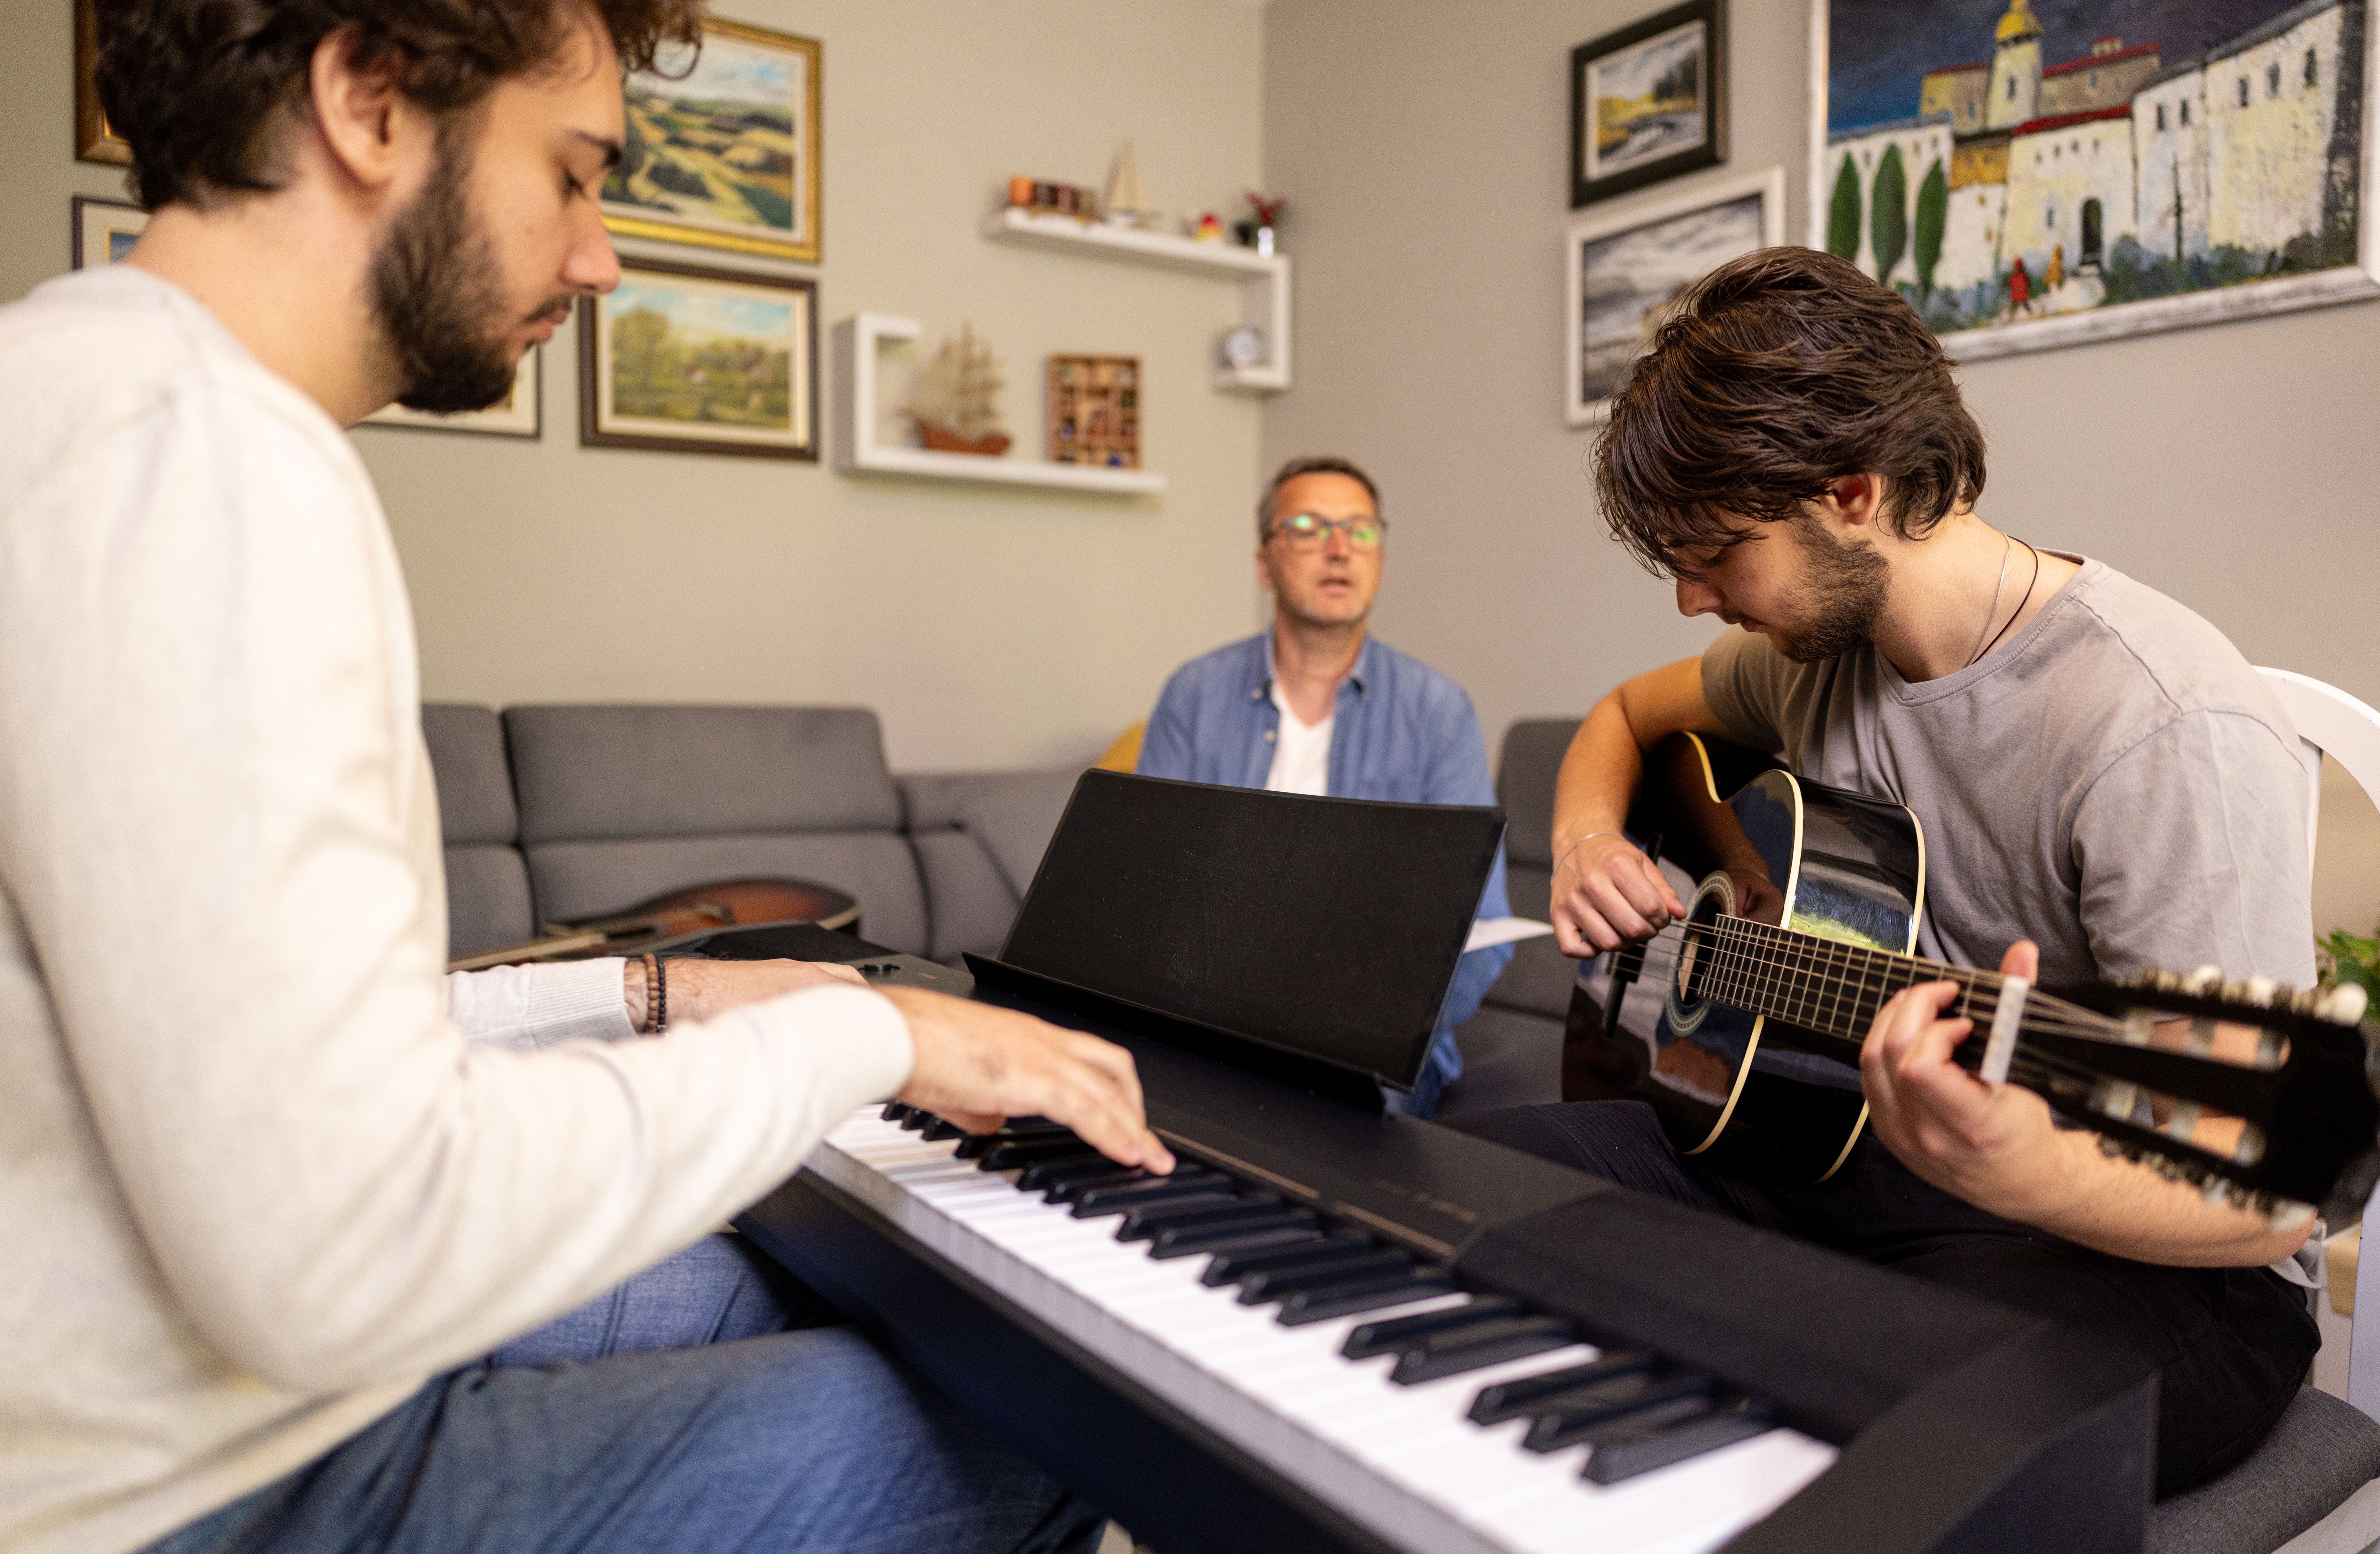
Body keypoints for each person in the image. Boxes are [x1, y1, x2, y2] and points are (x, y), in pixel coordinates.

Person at [0, 4, 1175, 1553]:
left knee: (830, 1272)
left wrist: (652, 998)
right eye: (573, 173)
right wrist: (862, 1030)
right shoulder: (207, 461)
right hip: (199, 1487)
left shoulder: (72, 385)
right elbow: (351, 1249)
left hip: (158, 1371)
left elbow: (260, 1052)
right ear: (366, 98)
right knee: (1061, 1410)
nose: (600, 256)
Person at [1460, 247, 2319, 1497]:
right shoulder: (1813, 660)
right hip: (1852, 1164)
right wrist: (1590, 840)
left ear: (1852, 492)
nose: (1694, 598)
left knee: (1840, 1414)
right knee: (1456, 1192)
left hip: (2161, 1267)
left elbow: (2274, 1193)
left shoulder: (2156, 719)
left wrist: (2029, 1168)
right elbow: (1621, 718)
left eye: (1714, 552)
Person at [1137, 455, 1513, 1117]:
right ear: (1265, 563)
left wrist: (1366, 1030)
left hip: (1373, 1046)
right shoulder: (1194, 695)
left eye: (1361, 530)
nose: (1340, 549)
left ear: (1381, 557)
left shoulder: (1438, 711)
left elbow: (1485, 930)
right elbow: (1147, 890)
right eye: (1309, 528)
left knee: (1328, 1120)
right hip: (1207, 1022)